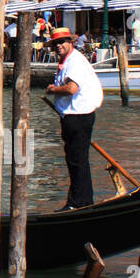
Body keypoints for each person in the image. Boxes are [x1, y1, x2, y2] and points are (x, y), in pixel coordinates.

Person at [44, 26, 103, 211]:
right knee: (76, 160)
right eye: (55, 43)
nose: (58, 46)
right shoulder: (67, 61)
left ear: (70, 43)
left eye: (62, 42)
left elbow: (71, 89)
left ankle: (78, 203)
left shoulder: (75, 62)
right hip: (72, 117)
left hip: (78, 117)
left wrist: (53, 89)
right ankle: (82, 201)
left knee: (77, 160)